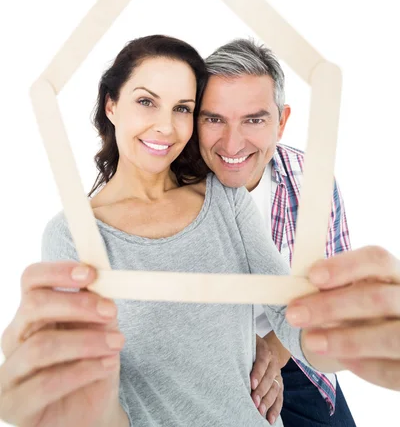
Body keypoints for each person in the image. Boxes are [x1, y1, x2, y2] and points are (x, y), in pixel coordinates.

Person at [0, 34, 332, 427]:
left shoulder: (225, 199)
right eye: (146, 101)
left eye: (182, 108)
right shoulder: (73, 236)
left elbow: (288, 312)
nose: (165, 126)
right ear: (111, 105)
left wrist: (336, 336)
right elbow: (95, 400)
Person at [198, 38, 356, 426]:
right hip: (201, 359)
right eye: (214, 118)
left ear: (281, 121)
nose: (232, 143)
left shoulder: (311, 179)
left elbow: (335, 297)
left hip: (293, 352)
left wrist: (274, 349)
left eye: (254, 119)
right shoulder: (171, 187)